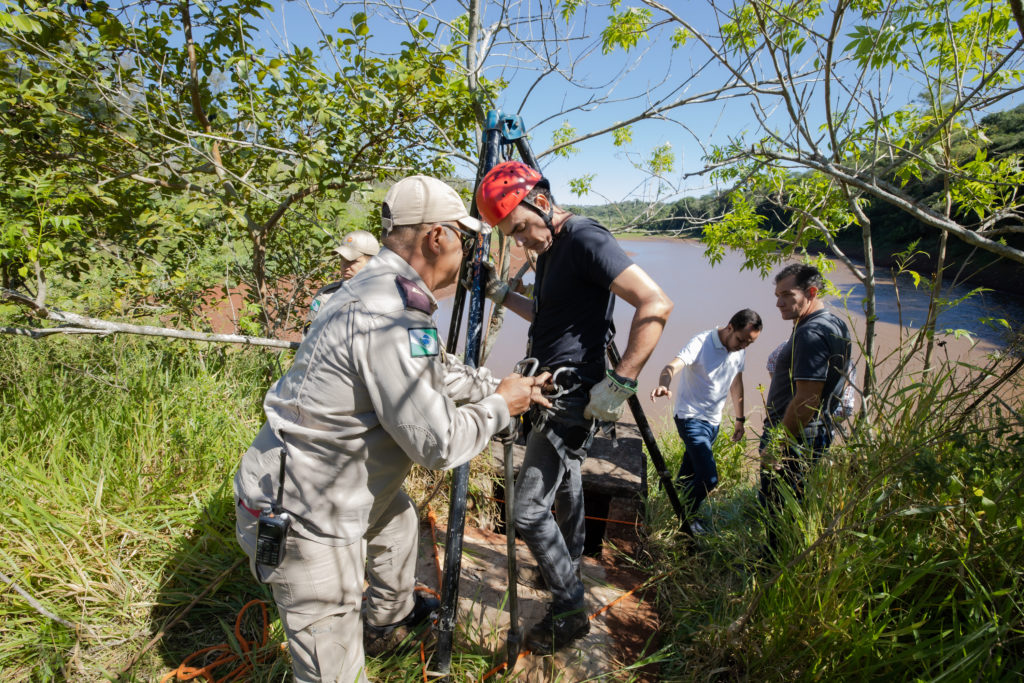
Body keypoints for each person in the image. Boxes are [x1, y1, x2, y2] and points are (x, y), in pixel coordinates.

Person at [234, 175, 552, 683]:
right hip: (305, 516)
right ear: (437, 237)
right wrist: (499, 407)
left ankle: (385, 621)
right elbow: (438, 442)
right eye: (467, 241)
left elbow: (431, 371)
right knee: (330, 671)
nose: (469, 257)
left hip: (333, 485)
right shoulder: (387, 315)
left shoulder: (381, 292)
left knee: (398, 525)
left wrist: (499, 384)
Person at [474, 161, 673, 654]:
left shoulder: (584, 237)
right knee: (564, 487)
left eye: (521, 227)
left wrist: (621, 381)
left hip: (573, 395)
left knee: (527, 507)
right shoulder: (553, 250)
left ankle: (569, 608)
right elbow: (551, 317)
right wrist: (502, 293)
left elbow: (655, 303)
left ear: (541, 200)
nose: (521, 241)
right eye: (511, 235)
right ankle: (562, 576)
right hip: (551, 389)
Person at [759, 263, 852, 552]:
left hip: (795, 438)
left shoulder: (810, 333)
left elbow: (807, 400)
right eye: (777, 295)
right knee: (794, 505)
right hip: (816, 433)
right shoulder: (835, 324)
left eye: (787, 294)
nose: (779, 303)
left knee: (777, 507)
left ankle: (771, 571)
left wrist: (777, 443)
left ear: (811, 292)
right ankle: (788, 564)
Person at [650, 309, 762, 536]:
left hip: (713, 422)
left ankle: (661, 508)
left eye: (748, 344)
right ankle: (685, 516)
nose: (742, 346)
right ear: (730, 327)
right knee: (709, 477)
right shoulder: (701, 342)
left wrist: (739, 419)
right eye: (741, 340)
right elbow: (672, 366)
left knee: (690, 472)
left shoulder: (739, 350)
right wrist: (664, 384)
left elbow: (736, 383)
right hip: (690, 418)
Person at [307, 229, 380, 326]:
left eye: (352, 260)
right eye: (342, 258)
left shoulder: (388, 296)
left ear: (372, 262)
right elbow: (310, 337)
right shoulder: (326, 297)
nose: (344, 265)